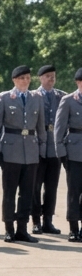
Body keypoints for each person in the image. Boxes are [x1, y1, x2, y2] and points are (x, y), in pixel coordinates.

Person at [0, 65, 45, 243]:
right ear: (14, 80)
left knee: (27, 193)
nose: (25, 81)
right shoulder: (4, 98)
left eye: (28, 78)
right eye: (21, 78)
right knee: (9, 192)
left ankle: (22, 228)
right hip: (10, 150)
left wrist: (41, 149)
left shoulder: (36, 98)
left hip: (31, 151)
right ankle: (9, 228)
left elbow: (40, 127)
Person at [32, 64, 63, 234]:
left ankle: (48, 220)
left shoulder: (61, 97)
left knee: (51, 187)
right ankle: (35, 220)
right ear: (40, 78)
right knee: (35, 187)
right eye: (48, 76)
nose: (51, 79)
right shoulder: (33, 96)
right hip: (37, 146)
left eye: (53, 76)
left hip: (54, 147)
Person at [54, 68, 82, 241]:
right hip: (74, 151)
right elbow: (59, 129)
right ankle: (73, 227)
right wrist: (61, 153)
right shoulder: (68, 101)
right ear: (78, 83)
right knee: (74, 191)